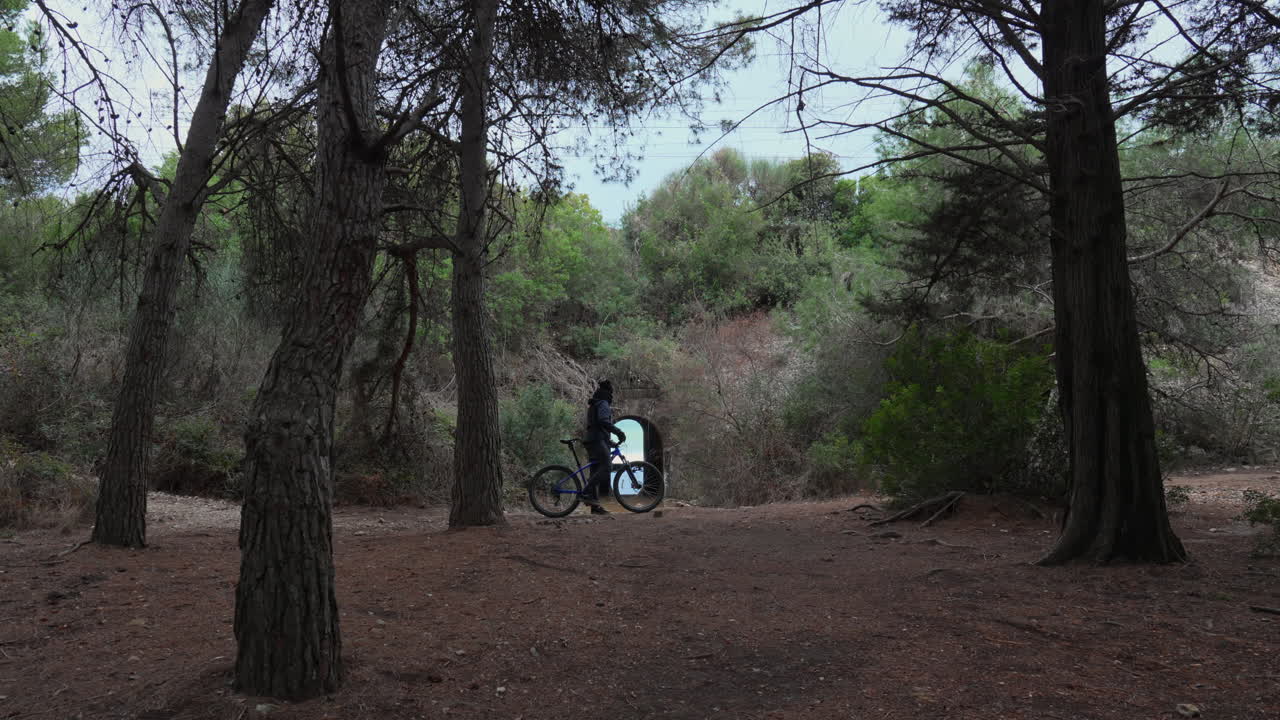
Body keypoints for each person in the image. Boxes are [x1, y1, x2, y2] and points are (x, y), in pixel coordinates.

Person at [581, 379, 625, 514]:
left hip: (593, 440)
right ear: (608, 394)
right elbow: (603, 421)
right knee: (607, 466)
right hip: (596, 440)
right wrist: (618, 432)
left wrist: (609, 442)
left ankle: (595, 507)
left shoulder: (594, 404)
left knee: (595, 472)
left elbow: (597, 426)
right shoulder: (603, 403)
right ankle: (586, 492)